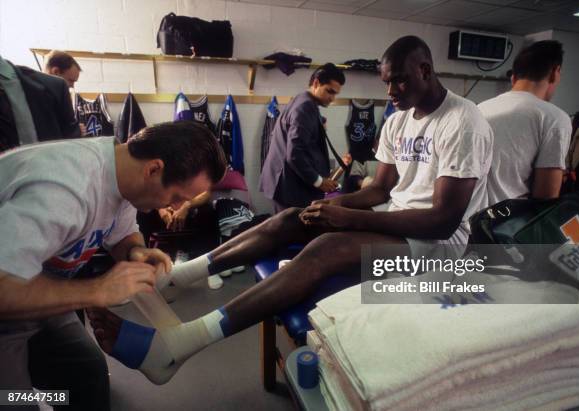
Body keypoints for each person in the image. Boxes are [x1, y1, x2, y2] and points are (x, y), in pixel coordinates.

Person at [87, 35, 492, 385]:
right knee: (288, 218)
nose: (390, 93)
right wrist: (324, 206)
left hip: (438, 247)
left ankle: (181, 343)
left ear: (425, 69)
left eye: (398, 81)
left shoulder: (462, 121)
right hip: (397, 221)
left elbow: (443, 221)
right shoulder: (398, 121)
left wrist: (346, 217)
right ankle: (178, 277)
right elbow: (380, 190)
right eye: (387, 83)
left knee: (326, 247)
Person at [0, 121, 226, 410]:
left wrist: (136, 251)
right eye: (176, 198)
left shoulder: (123, 174)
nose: (173, 207)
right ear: (154, 169)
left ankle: (50, 399)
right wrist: (95, 290)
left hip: (38, 290)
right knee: (13, 402)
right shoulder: (66, 190)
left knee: (87, 372)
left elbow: (121, 232)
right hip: (8, 298)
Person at [478, 40, 571, 204]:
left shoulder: (479, 108)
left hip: (464, 220)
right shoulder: (554, 118)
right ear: (555, 72)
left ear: (513, 77)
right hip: (507, 224)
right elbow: (546, 196)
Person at [259, 63, 345, 212]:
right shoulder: (305, 107)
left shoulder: (303, 101)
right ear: (316, 83)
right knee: (292, 233)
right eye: (330, 91)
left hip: (288, 184)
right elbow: (295, 153)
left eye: (336, 94)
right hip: (290, 188)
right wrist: (319, 181)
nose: (332, 98)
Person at [0, 54, 80, 152]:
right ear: (55, 71)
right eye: (71, 80)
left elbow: (71, 141)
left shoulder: (55, 88)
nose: (72, 86)